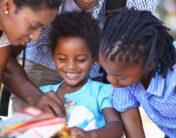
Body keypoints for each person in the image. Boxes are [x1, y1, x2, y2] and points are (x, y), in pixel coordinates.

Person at [2, 0, 156, 116]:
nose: (35, 36)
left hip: (100, 75)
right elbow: (6, 52)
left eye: (39, 27)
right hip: (38, 67)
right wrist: (33, 95)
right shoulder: (18, 16)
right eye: (35, 26)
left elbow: (131, 62)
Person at [39, 11, 128, 138]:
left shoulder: (101, 91)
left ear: (95, 58)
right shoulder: (45, 94)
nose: (71, 66)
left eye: (80, 60)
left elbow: (116, 126)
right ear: (53, 57)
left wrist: (90, 135)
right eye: (62, 59)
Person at [99, 7, 176, 138]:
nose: (111, 81)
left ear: (149, 64)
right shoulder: (122, 78)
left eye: (119, 76)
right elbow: (130, 118)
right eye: (107, 72)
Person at [0, 0, 60, 90]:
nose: (35, 38)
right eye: (33, 26)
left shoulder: (5, 35)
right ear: (7, 5)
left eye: (42, 28)